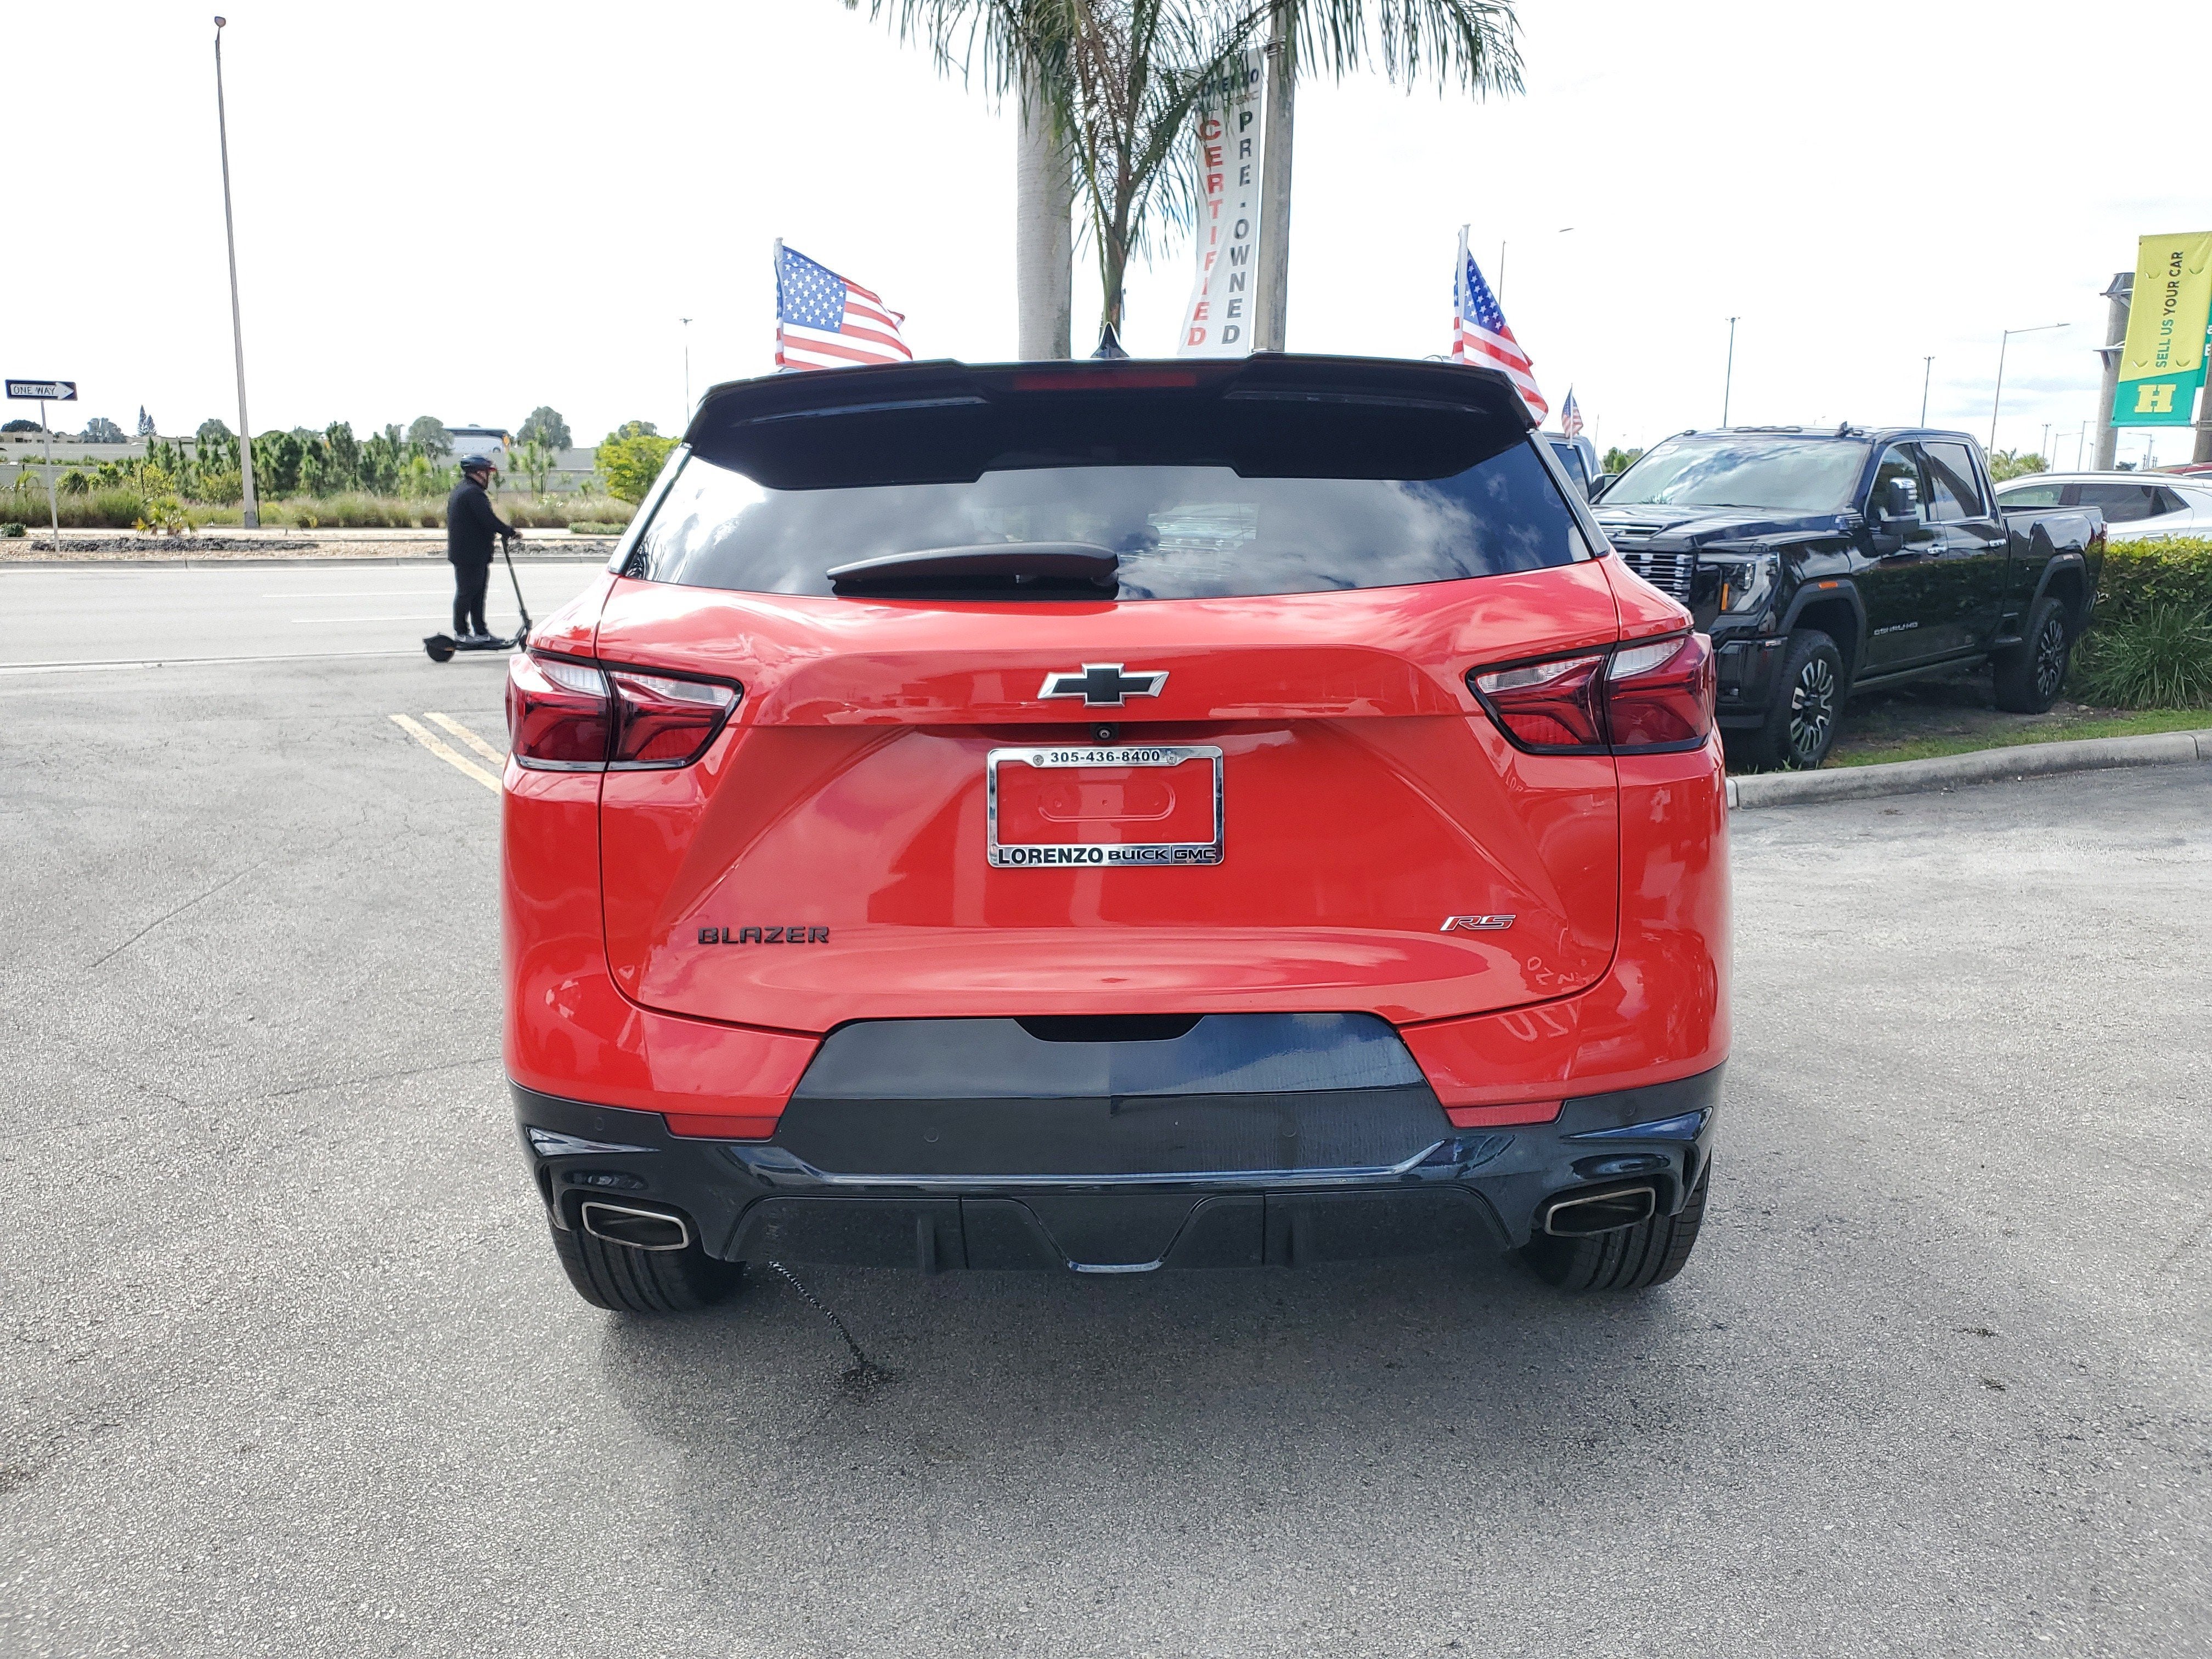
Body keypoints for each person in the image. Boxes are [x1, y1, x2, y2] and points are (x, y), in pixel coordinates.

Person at [445, 455, 520, 641]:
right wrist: (509, 532)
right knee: (467, 593)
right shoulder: (473, 493)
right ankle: (462, 633)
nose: (489, 478)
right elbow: (488, 519)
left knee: (476, 593)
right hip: (469, 554)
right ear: (480, 473)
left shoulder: (463, 489)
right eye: (488, 473)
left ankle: (480, 632)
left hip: (471, 553)